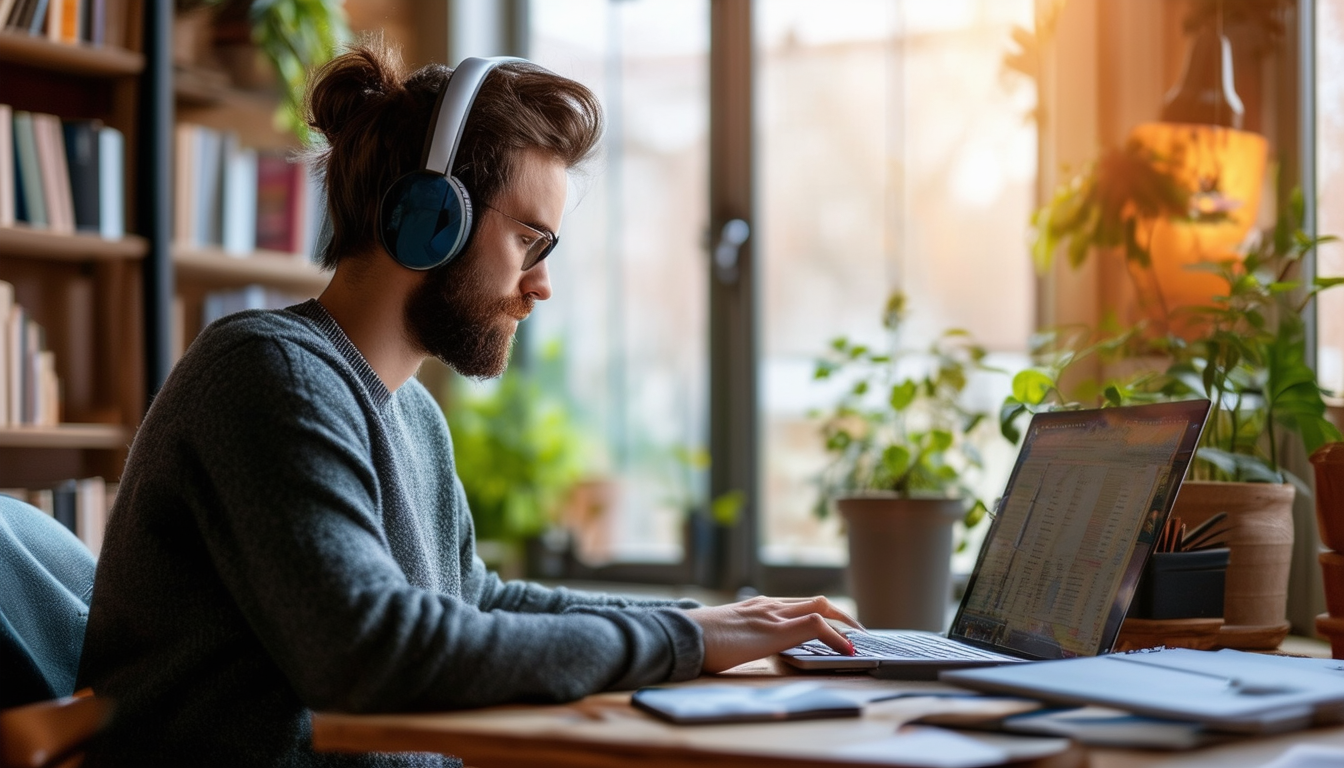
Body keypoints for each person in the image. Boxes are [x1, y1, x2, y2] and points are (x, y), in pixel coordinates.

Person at [77, 39, 857, 767]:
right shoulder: (264, 375)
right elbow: (370, 652)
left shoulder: (411, 413)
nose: (541, 283)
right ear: (431, 221)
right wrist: (682, 637)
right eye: (530, 241)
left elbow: (475, 600)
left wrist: (717, 624)